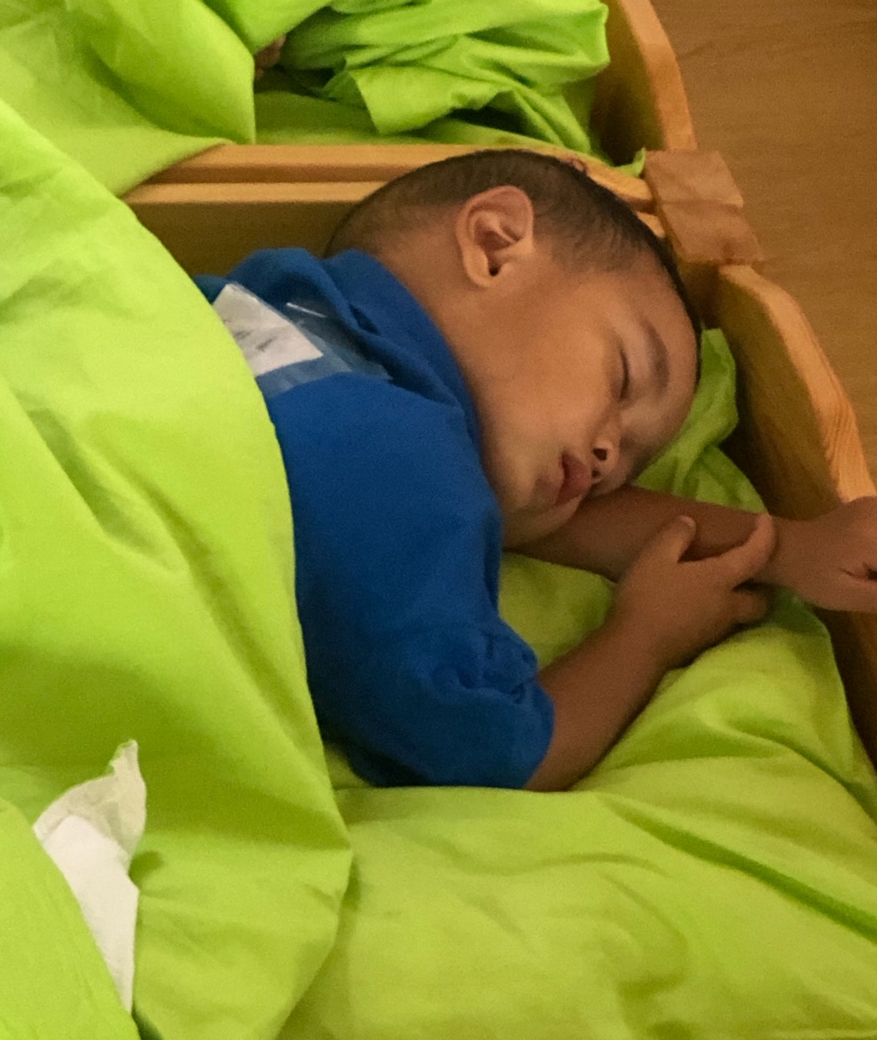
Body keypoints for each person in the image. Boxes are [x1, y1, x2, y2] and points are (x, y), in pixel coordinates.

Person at [194, 150, 877, 792]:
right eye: (624, 377)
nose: (608, 458)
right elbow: (495, 746)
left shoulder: (265, 302)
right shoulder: (399, 465)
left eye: (628, 466)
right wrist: (644, 637)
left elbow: (550, 519)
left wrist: (788, 548)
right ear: (495, 245)